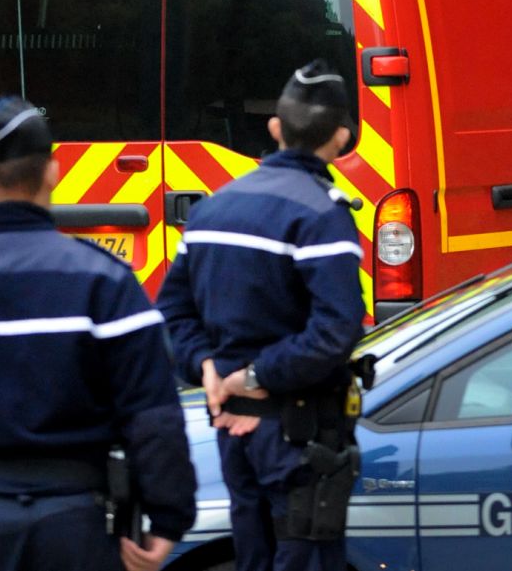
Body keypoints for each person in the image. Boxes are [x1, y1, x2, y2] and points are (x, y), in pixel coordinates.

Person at [0, 97, 196, 571]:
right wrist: (167, 519)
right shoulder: (106, 285)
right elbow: (154, 417)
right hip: (76, 526)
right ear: (53, 173)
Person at [157, 60, 366, 571]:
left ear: (275, 127)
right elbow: (337, 330)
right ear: (341, 137)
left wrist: (207, 369)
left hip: (233, 431)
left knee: (253, 555)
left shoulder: (214, 208)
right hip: (298, 436)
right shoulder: (322, 214)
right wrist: (253, 377)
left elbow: (170, 310)